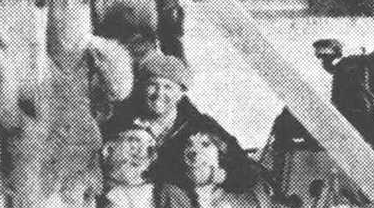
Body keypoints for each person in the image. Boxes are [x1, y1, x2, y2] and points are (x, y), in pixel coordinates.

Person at [102, 50, 264, 196]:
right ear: (142, 87)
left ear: (180, 93)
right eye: (152, 85)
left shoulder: (200, 125)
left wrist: (213, 175)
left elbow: (247, 170)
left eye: (168, 87)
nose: (159, 93)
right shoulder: (121, 123)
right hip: (127, 203)